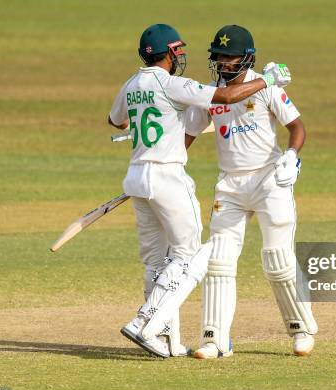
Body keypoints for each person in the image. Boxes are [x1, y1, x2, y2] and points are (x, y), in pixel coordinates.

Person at [108, 23, 291, 357]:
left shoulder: (131, 84)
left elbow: (117, 120)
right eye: (178, 51)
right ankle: (145, 320)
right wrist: (268, 79)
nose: (181, 56)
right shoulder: (174, 84)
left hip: (136, 176)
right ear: (169, 54)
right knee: (188, 255)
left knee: (155, 263)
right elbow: (225, 96)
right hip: (166, 176)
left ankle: (165, 339)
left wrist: (146, 125)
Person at [184, 25, 318, 359]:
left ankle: (301, 329)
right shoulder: (211, 94)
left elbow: (297, 127)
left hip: (269, 180)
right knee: (218, 260)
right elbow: (186, 137)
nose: (222, 63)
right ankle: (215, 339)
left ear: (247, 59)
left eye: (229, 57)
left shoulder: (267, 87)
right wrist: (160, 157)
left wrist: (291, 156)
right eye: (218, 56)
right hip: (229, 184)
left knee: (277, 259)